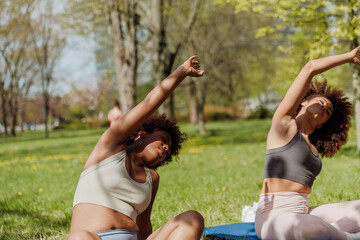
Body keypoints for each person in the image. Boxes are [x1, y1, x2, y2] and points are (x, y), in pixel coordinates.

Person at [68, 56, 205, 240]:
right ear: (141, 133)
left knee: (192, 219)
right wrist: (181, 72)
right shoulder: (109, 148)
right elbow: (148, 104)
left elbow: (144, 224)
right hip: (93, 238)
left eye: (168, 150)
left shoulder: (152, 178)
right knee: (80, 238)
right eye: (163, 140)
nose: (165, 149)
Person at [255, 47, 360, 240]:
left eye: (328, 111)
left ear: (323, 125)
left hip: (303, 212)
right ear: (303, 101)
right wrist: (348, 57)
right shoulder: (283, 126)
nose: (325, 106)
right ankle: (348, 237)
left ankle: (334, 232)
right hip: (273, 217)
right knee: (312, 227)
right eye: (321, 101)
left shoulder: (312, 146)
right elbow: (309, 68)